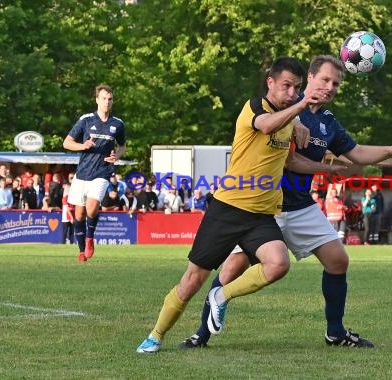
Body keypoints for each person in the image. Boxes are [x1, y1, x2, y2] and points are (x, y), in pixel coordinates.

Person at [176, 55, 392, 351]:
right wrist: (305, 130)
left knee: (338, 260)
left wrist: (391, 150)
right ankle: (201, 334)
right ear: (309, 78)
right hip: (260, 208)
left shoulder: (328, 123)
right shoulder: (283, 103)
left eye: (336, 84)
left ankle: (335, 333)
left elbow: (358, 153)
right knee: (232, 268)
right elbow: (279, 140)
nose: (330, 87)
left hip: (299, 206)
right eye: (325, 80)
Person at [136, 56, 328, 353]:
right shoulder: (254, 107)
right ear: (270, 82)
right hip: (228, 209)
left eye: (297, 88)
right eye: (287, 86)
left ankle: (221, 296)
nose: (292, 93)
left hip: (262, 215)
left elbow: (290, 161)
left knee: (278, 264)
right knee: (192, 280)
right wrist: (300, 108)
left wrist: (331, 168)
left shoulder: (290, 120)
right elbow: (265, 126)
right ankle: (155, 335)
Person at [63, 84, 126, 262]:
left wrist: (116, 156)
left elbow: (122, 147)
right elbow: (66, 143)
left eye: (110, 99)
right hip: (82, 173)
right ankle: (82, 250)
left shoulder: (118, 124)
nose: (107, 102)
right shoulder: (86, 120)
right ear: (97, 100)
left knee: (92, 207)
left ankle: (90, 238)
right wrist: (83, 146)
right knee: (79, 214)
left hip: (103, 171)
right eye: (104, 98)